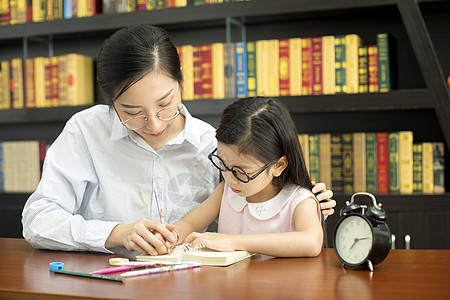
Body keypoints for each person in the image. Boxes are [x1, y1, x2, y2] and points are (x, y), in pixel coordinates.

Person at [21, 24, 334, 255]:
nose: (154, 124)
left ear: (181, 83)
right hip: (104, 283)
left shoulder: (215, 147)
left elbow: (261, 197)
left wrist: (294, 196)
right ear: (110, 102)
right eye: (132, 112)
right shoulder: (86, 132)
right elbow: (38, 221)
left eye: (164, 104)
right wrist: (115, 233)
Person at [169, 97, 323, 257]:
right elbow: (191, 223)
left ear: (278, 166)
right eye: (223, 164)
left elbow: (311, 242)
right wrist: (171, 236)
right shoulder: (227, 191)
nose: (229, 178)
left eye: (240, 172)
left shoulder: (298, 201)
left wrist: (233, 241)